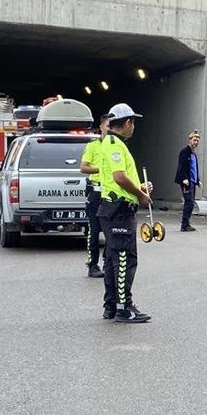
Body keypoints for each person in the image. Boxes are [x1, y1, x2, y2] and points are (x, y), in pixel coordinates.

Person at [96, 104, 152, 323]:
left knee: (112, 259)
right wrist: (140, 194)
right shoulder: (114, 145)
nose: (134, 127)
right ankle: (124, 308)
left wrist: (140, 186)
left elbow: (118, 178)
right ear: (127, 123)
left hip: (113, 207)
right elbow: (119, 177)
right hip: (119, 210)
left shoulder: (111, 143)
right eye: (133, 122)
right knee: (123, 259)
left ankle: (111, 305)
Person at [79, 114, 110, 278]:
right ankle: (92, 265)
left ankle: (108, 262)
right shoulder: (93, 146)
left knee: (110, 230)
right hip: (96, 192)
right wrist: (101, 170)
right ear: (102, 127)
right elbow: (83, 168)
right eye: (107, 126)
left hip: (110, 192)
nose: (110, 129)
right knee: (94, 229)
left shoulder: (115, 146)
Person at [174, 130, 201, 231]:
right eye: (194, 140)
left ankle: (186, 223)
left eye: (197, 140)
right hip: (186, 181)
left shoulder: (194, 154)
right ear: (190, 140)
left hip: (192, 181)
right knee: (189, 201)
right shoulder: (185, 151)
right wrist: (184, 178)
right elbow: (181, 166)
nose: (196, 142)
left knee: (191, 202)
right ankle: (184, 224)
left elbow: (194, 168)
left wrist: (198, 180)